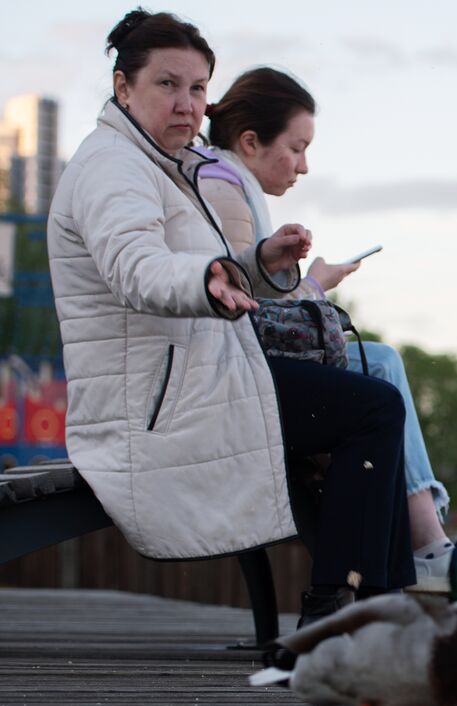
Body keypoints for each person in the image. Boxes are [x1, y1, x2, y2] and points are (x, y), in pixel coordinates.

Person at [48, 10, 414, 629]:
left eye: (197, 88)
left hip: (194, 379)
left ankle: (375, 608)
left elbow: (202, 269)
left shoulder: (162, 161)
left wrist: (257, 263)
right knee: (374, 407)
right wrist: (207, 277)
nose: (187, 104)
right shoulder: (113, 166)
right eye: (167, 84)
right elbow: (137, 267)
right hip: (157, 406)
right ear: (122, 87)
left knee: (369, 403)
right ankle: (348, 612)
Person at [195, 67, 456, 588]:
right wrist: (312, 288)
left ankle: (424, 540)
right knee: (379, 366)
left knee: (378, 364)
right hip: (230, 384)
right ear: (250, 141)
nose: (304, 166)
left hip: (226, 371)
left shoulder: (227, 183)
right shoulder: (227, 196)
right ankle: (424, 541)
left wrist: (304, 282)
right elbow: (248, 315)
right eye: (297, 147)